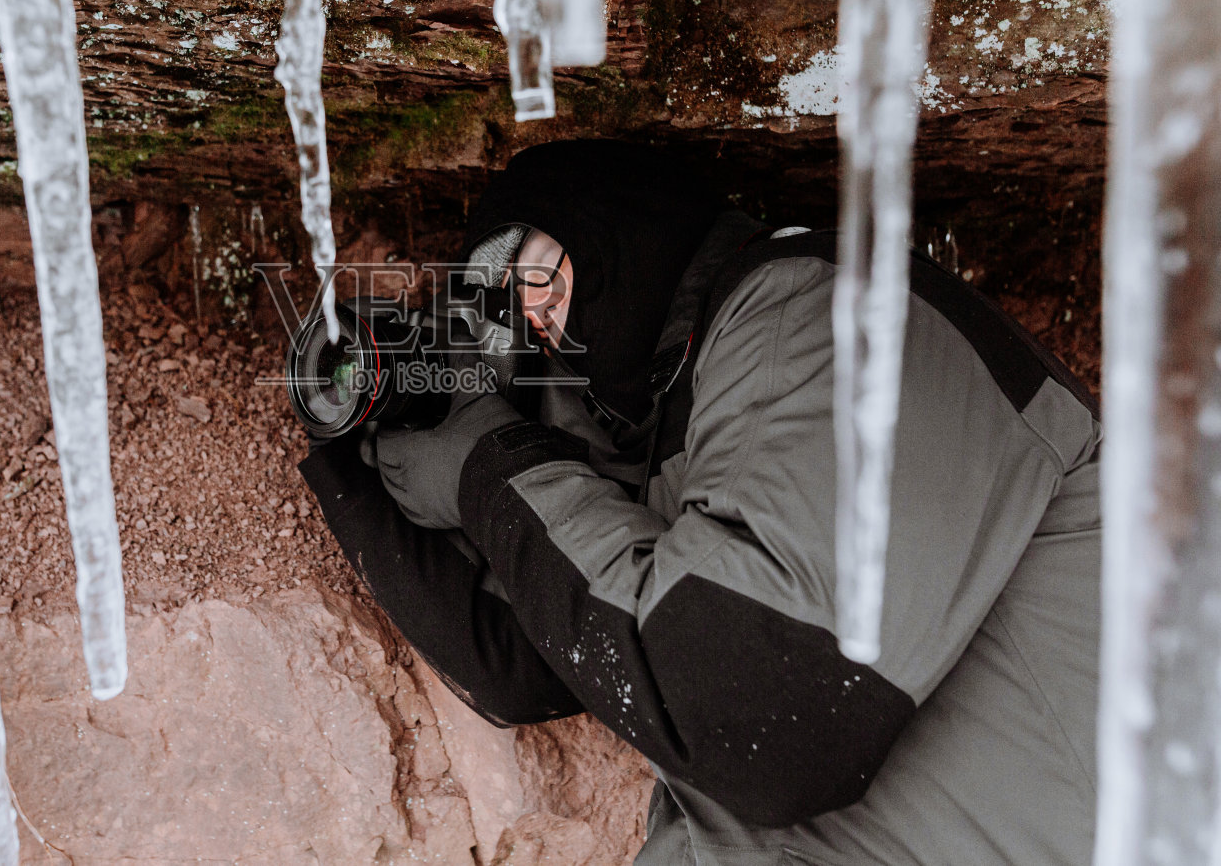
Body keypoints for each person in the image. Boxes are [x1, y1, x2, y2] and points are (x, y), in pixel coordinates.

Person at [298, 141, 1100, 865]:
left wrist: (491, 465)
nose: (531, 314)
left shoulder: (818, 311)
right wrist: (376, 449)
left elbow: (756, 709)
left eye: (531, 268)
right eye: (506, 309)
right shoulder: (688, 456)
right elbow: (519, 660)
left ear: (615, 223)